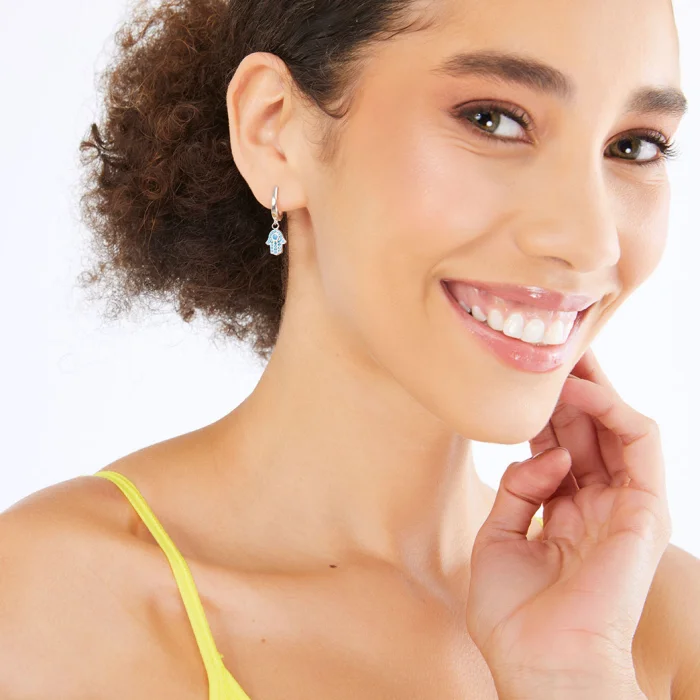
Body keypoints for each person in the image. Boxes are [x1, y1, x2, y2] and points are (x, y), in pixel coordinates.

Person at [1, 0, 698, 697]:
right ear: (274, 129)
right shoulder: (55, 604)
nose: (591, 242)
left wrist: (572, 676)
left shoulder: (655, 623)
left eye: (634, 146)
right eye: (493, 119)